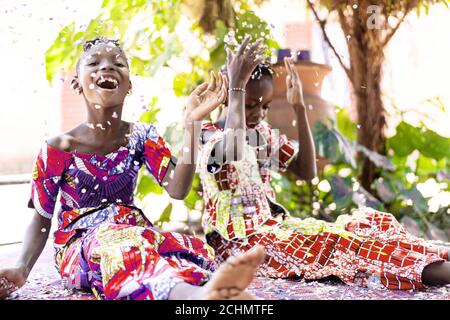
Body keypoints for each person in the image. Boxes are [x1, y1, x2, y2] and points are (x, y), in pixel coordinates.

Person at [0, 37, 266, 300]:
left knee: (188, 248)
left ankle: (218, 292)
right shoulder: (58, 147)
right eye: (94, 62)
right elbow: (41, 219)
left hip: (134, 232)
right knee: (118, 246)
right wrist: (22, 268)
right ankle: (193, 295)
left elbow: (178, 188)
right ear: (77, 83)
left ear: (129, 85)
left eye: (118, 63)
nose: (107, 67)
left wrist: (191, 125)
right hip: (83, 247)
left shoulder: (141, 136)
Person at [198, 34, 450, 290]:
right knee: (342, 246)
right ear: (229, 97)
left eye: (265, 106)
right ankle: (441, 273)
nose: (258, 114)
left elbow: (307, 172)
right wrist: (237, 83)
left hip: (275, 229)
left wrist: (299, 109)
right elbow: (234, 148)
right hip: (239, 246)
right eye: (250, 105)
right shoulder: (210, 136)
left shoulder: (261, 134)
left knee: (368, 225)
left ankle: (440, 259)